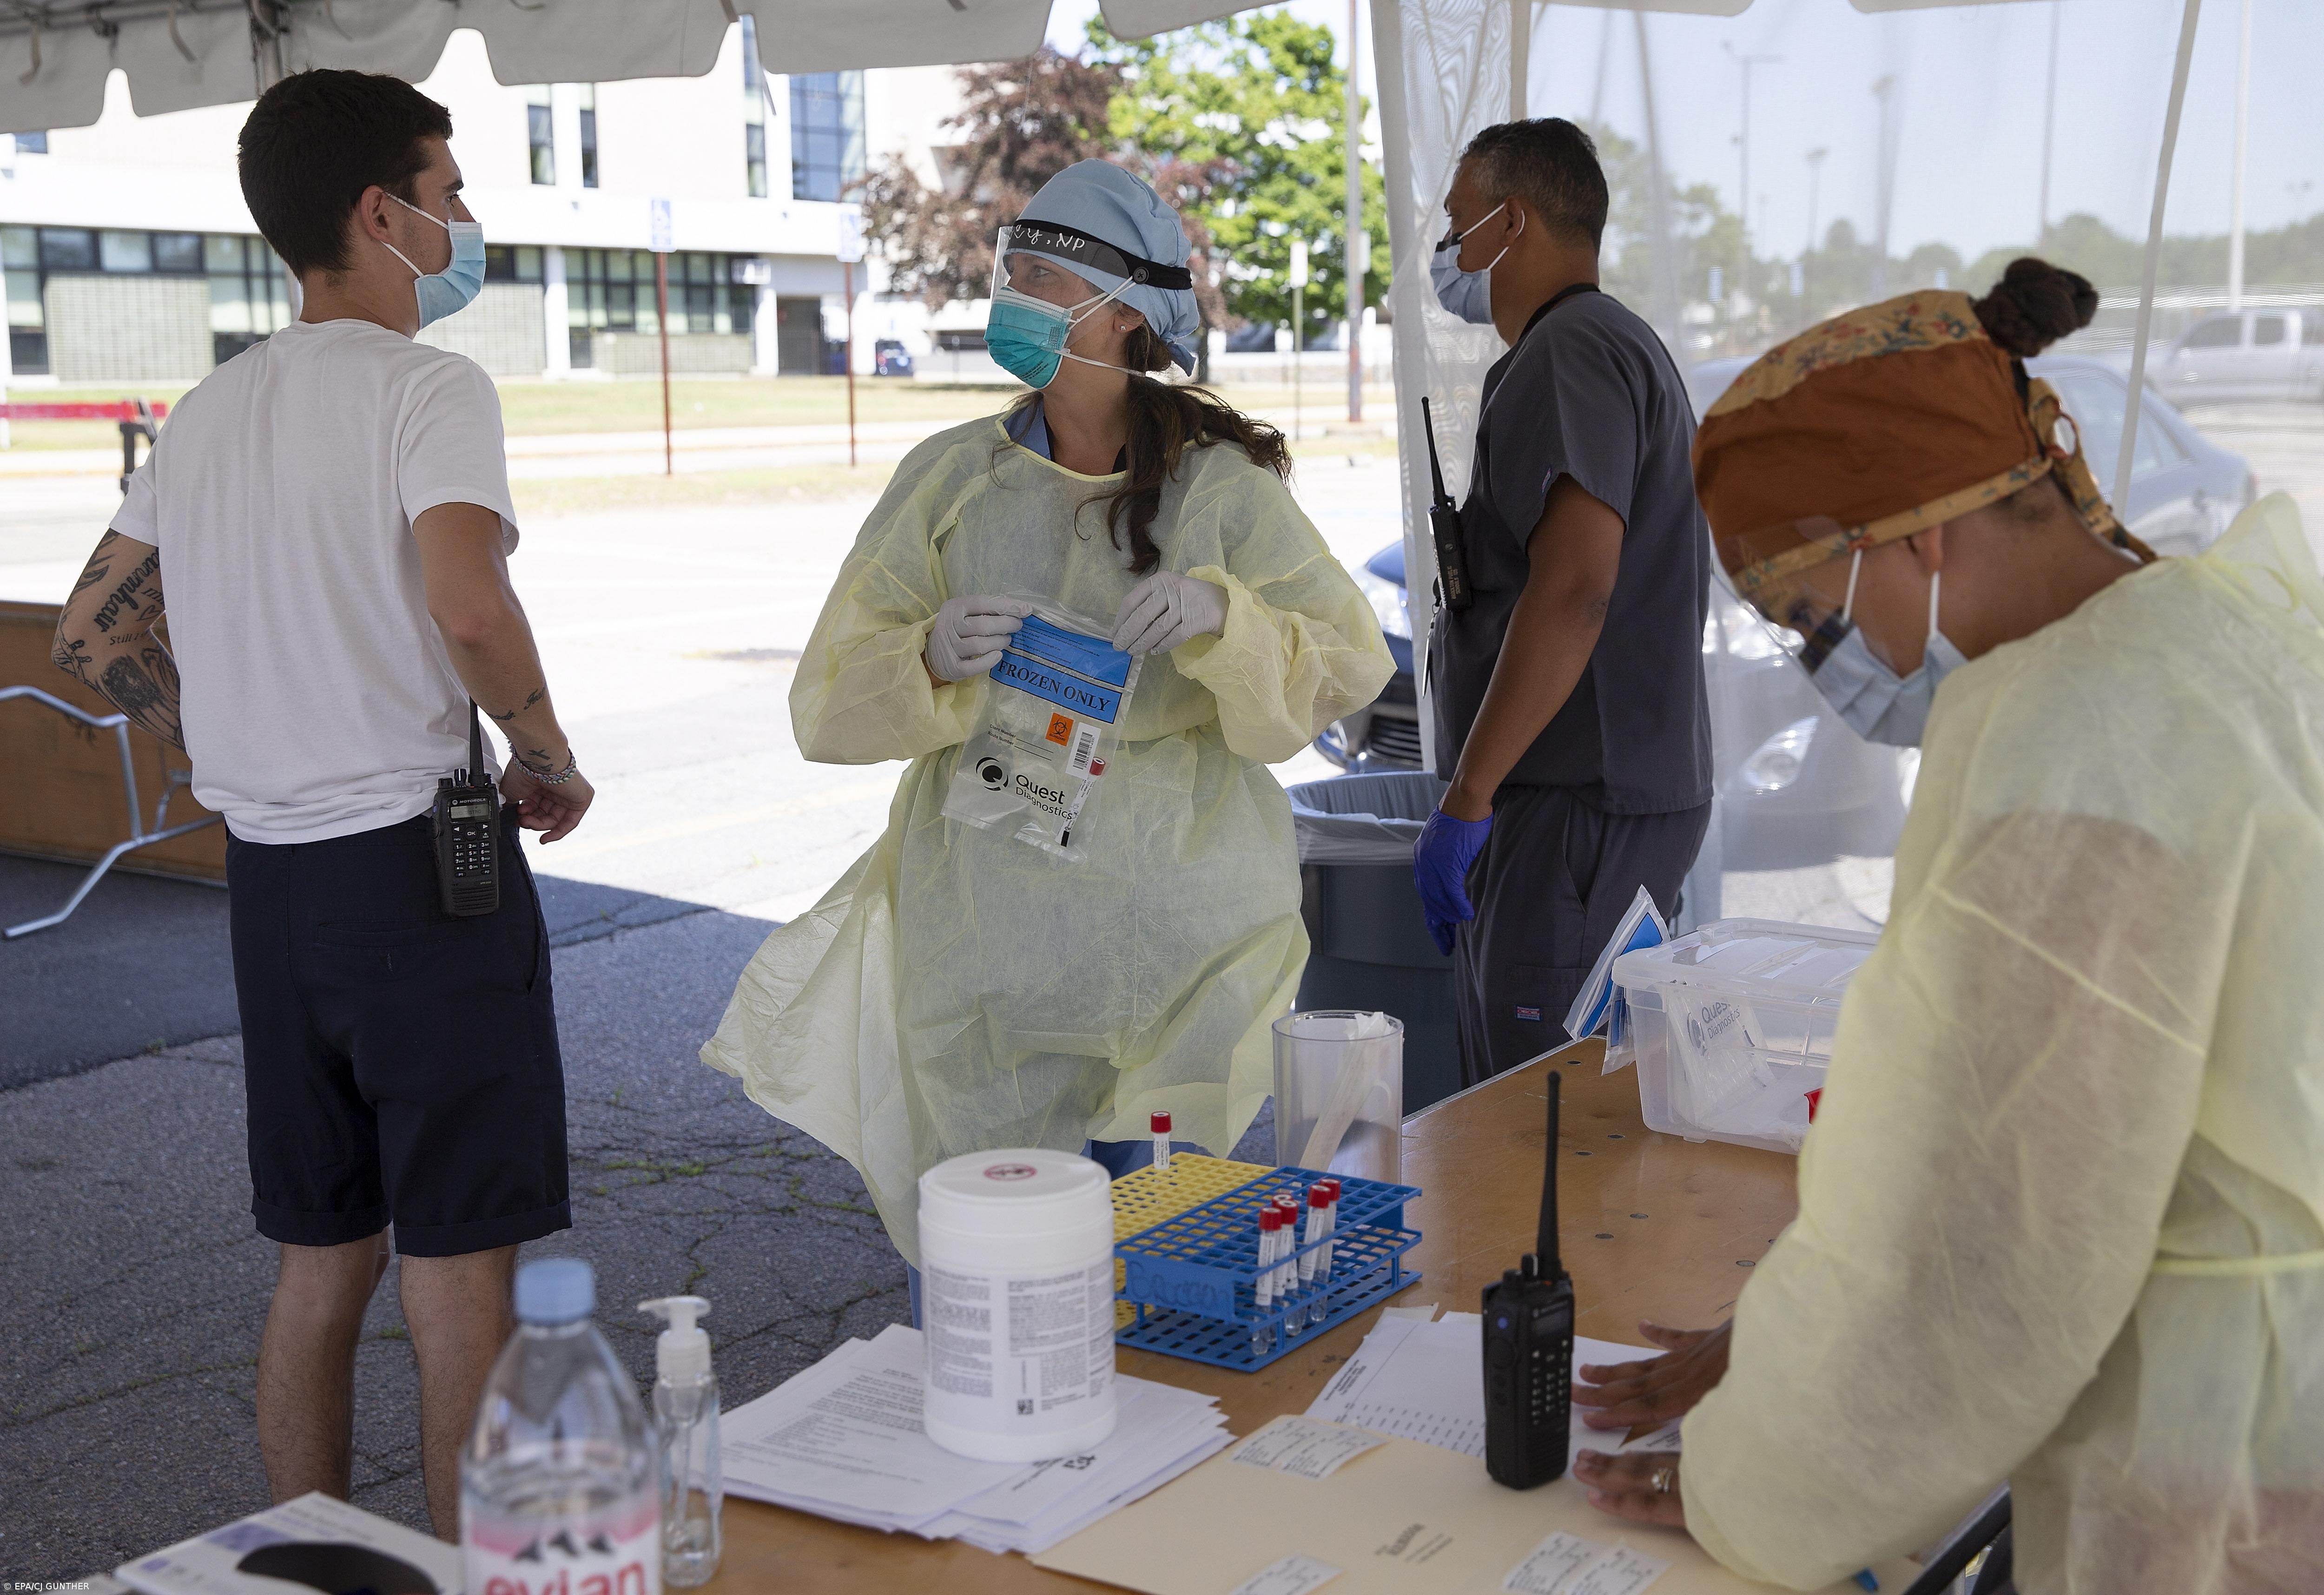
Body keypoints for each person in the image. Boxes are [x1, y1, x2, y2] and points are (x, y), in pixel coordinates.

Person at [1567, 261, 2324, 1591]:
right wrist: (1794, 1325)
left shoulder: (2083, 746)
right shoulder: (2226, 644)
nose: (1830, 666)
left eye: (1814, 615)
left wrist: (1758, 1480)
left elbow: (1997, 1258)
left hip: (2227, 1456)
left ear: (1914, 535)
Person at [49, 71, 591, 1538]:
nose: (466, 219)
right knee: (459, 1265)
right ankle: (481, 1575)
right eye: (451, 189)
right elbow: (471, 611)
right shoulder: (431, 388)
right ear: (381, 213)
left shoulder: (212, 406)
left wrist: (228, 723)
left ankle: (308, 1566)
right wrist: (543, 751)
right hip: (421, 875)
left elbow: (90, 635)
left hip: (271, 884)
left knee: (319, 1252)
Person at [702, 161, 1394, 1279]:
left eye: (1033, 273)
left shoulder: (1218, 492)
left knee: (1154, 1249)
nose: (1006, 294)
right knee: (992, 1255)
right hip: (989, 937)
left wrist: (1230, 617)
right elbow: (826, 696)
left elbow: (1349, 665)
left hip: (1177, 941)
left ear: (1119, 312)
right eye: (1006, 270)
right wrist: (921, 657)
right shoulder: (951, 480)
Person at [1408, 119, 1711, 1088]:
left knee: (1538, 1117)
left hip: (1581, 801)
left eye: (1459, 226)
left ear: (1515, 222)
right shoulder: (1608, 344)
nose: (1447, 255)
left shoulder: (1569, 352)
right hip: (1594, 795)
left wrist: (1468, 795)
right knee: (1564, 1100)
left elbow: (1576, 589)